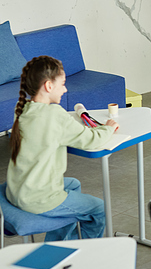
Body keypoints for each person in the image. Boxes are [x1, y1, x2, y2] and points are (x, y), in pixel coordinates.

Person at [6, 55, 119, 240]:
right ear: (49, 86)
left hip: (19, 190)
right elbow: (91, 139)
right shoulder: (54, 115)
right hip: (38, 198)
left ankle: (59, 244)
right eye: (63, 83)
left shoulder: (22, 110)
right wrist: (108, 128)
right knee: (100, 209)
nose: (65, 89)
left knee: (74, 184)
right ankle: (82, 249)